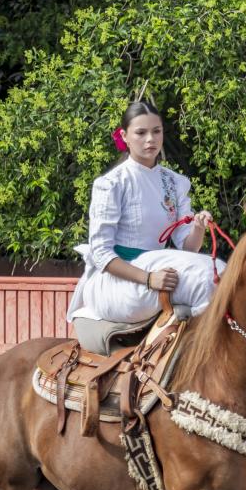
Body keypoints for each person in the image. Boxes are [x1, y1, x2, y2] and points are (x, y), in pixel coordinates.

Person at [67, 97, 222, 326]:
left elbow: (188, 248)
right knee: (206, 279)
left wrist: (198, 227)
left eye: (156, 131)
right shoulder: (112, 183)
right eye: (140, 133)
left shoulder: (174, 182)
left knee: (220, 274)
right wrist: (149, 279)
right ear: (124, 136)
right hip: (117, 282)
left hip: (158, 268)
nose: (150, 139)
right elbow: (101, 254)